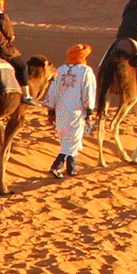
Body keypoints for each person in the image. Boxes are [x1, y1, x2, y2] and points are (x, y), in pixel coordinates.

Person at [45, 44, 96, 177]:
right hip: (76, 110)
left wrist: (51, 110)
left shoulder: (60, 70)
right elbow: (88, 90)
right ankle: (57, 165)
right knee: (72, 140)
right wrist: (89, 109)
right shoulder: (85, 71)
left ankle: (71, 170)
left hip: (60, 110)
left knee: (69, 141)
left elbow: (52, 91)